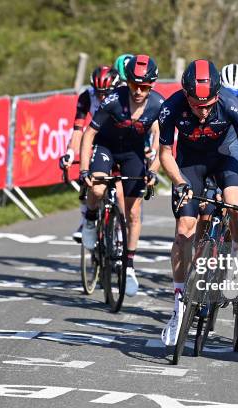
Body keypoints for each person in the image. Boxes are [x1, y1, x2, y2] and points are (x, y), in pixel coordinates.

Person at [158, 59, 238, 346]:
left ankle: (236, 255)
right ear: (186, 95)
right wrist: (179, 182)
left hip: (225, 157)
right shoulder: (171, 107)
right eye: (196, 105)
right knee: (184, 230)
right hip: (189, 164)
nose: (203, 111)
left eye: (208, 105)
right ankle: (179, 304)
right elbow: (165, 154)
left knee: (235, 205)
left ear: (217, 96)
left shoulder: (231, 105)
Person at [79, 55, 163, 296]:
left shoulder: (158, 104)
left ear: (152, 85)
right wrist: (84, 169)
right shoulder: (114, 100)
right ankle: (91, 219)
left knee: (133, 212)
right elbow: (89, 135)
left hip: (132, 153)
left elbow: (163, 141)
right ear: (127, 82)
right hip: (106, 148)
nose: (138, 91)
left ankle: (129, 265)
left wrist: (154, 170)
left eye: (144, 86)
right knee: (97, 189)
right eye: (134, 85)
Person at [60, 66, 120, 242]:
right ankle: (87, 218)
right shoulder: (87, 96)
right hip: (96, 139)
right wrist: (70, 153)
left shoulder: (124, 95)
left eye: (106, 92)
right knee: (88, 179)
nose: (102, 97)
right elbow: (78, 129)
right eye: (98, 92)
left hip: (121, 139)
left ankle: (119, 232)